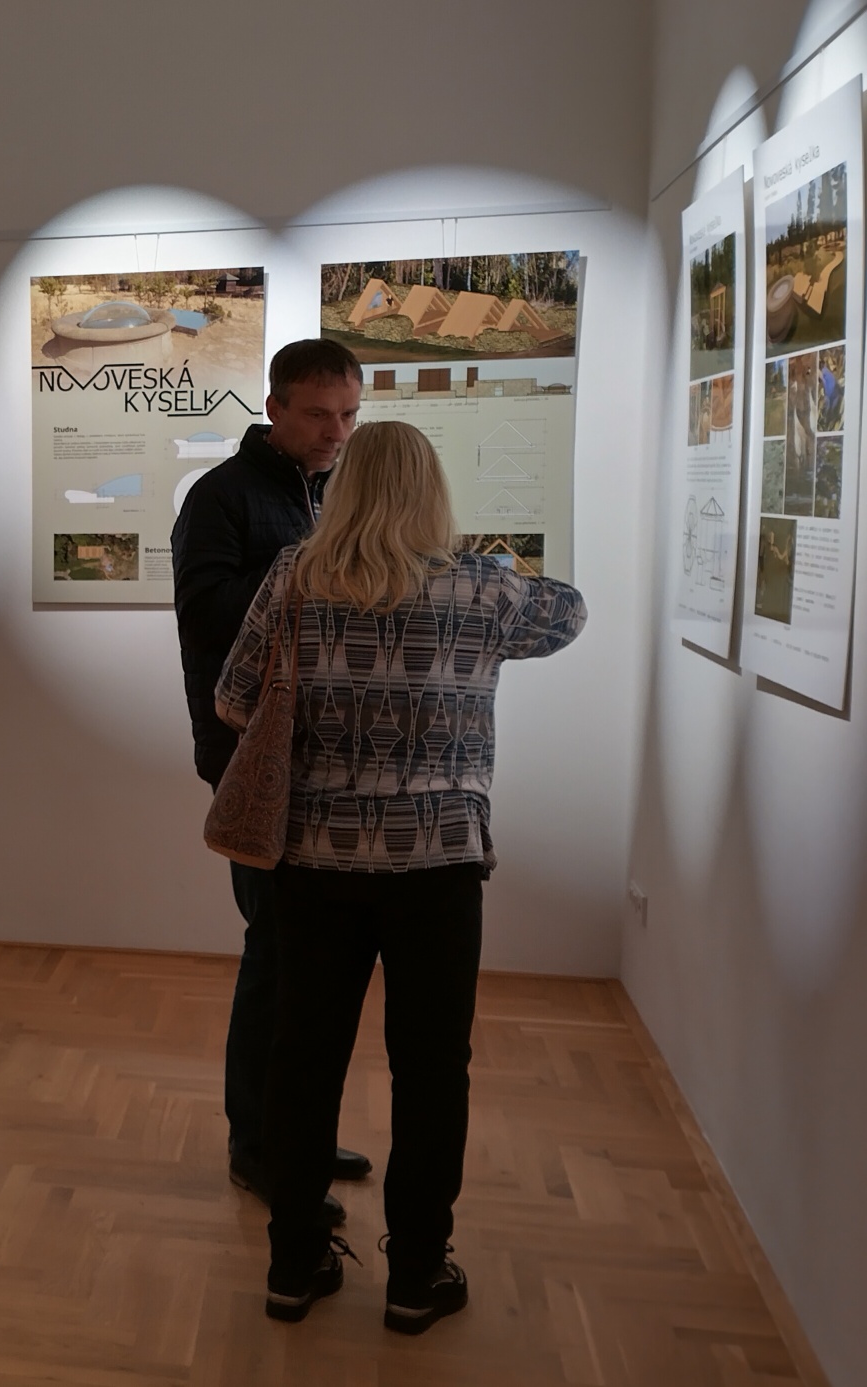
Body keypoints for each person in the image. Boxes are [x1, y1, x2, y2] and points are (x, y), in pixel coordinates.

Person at [215, 421, 586, 1332]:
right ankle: (417, 1274)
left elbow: (232, 699)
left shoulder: (294, 576)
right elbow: (571, 611)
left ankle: (294, 1264)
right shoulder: (483, 586)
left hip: (315, 860)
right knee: (431, 1069)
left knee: (304, 1058)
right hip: (439, 865)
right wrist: (477, 561)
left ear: (343, 487)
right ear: (433, 492)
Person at [170, 340, 368, 1221]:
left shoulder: (336, 492)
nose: (337, 432)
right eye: (319, 414)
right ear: (275, 407)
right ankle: (257, 1144)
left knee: (313, 964)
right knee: (276, 958)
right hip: (250, 761)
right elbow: (208, 615)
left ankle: (300, 1136)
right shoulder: (219, 498)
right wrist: (314, 564)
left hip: (325, 760)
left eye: (350, 415)